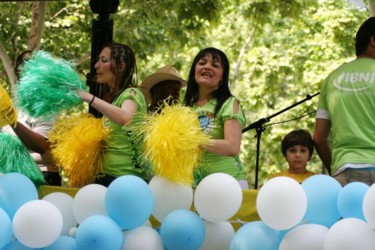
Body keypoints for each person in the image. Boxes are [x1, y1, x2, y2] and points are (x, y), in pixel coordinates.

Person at [313, 17, 375, 186]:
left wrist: (335, 169)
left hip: (344, 171)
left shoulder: (332, 78)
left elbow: (318, 138)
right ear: (373, 40)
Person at [77, 42, 148, 187]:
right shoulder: (116, 99)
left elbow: (125, 117)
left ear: (121, 67)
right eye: (98, 60)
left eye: (104, 60)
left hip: (125, 180)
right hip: (107, 177)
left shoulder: (132, 93)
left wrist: (88, 97)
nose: (96, 65)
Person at [183, 47, 248, 189]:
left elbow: (232, 147)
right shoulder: (187, 107)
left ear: (222, 77)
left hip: (228, 185)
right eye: (202, 63)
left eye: (215, 65)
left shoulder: (229, 103)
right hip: (196, 186)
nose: (207, 67)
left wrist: (196, 140)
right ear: (194, 70)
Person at [1, 49, 61, 186]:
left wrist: (11, 120)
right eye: (21, 64)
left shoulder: (49, 106)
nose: (23, 68)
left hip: (42, 178)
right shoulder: (15, 105)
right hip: (11, 176)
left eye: (31, 63)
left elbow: (41, 146)